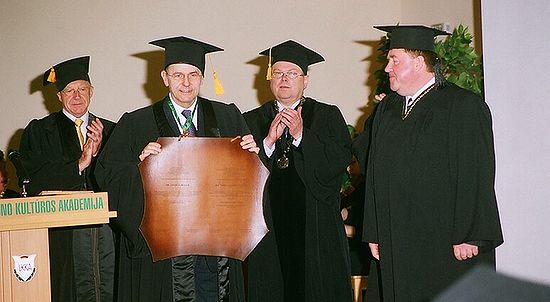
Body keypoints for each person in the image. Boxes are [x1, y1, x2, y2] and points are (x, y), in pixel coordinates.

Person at [94, 36, 259, 302]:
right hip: (164, 257)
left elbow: (248, 186)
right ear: (164, 77)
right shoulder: (136, 124)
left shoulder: (228, 117)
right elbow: (107, 176)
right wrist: (139, 166)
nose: (186, 82)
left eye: (193, 74)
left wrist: (251, 159)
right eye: (178, 74)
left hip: (215, 253)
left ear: (202, 78)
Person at [355, 25, 504, 302]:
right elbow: (373, 170)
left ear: (419, 61)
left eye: (394, 59)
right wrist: (374, 231)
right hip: (397, 235)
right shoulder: (388, 109)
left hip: (444, 237)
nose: (387, 67)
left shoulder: (462, 105)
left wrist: (471, 234)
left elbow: (477, 171)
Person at [243, 40, 353, 302]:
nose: (284, 79)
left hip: (316, 227)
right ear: (270, 79)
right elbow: (241, 176)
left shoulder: (327, 115)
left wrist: (302, 135)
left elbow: (337, 161)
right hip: (268, 228)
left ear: (306, 80)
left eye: (292, 74)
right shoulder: (251, 120)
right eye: (279, 73)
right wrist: (267, 143)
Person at [18, 56, 116, 302]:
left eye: (82, 89)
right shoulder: (40, 132)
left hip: (107, 237)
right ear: (59, 96)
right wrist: (80, 164)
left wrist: (102, 156)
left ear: (91, 92)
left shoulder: (113, 130)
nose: (76, 96)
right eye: (69, 91)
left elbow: (121, 182)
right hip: (62, 238)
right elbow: (33, 179)